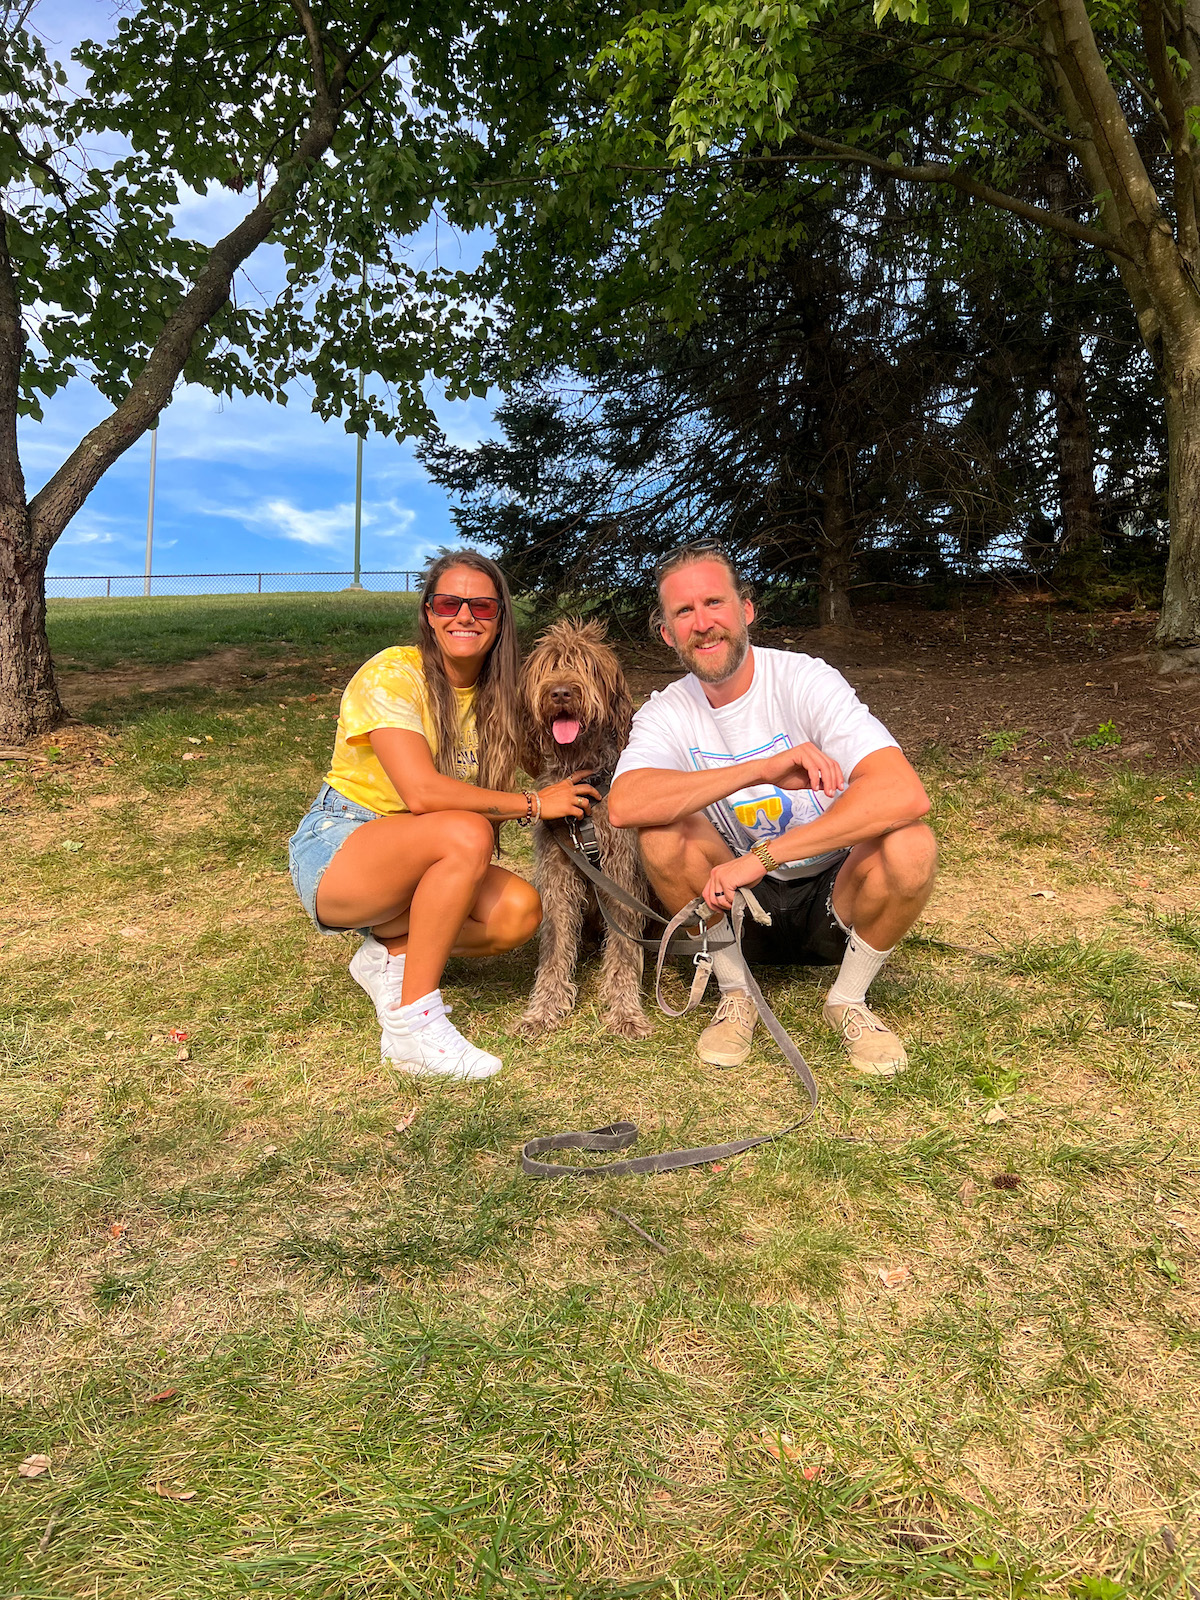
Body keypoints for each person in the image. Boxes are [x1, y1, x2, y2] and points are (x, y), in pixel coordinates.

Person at [607, 541, 937, 1075]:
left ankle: (848, 1000)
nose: (702, 623)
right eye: (683, 612)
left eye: (715, 603)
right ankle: (737, 993)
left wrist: (763, 857)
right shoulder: (666, 710)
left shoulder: (805, 679)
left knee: (911, 842)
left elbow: (904, 793)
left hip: (835, 897)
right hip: (734, 909)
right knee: (661, 833)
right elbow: (624, 804)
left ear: (747, 611)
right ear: (668, 634)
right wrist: (759, 768)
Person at [288, 550, 598, 1081]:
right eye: (450, 603)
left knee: (520, 912)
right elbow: (423, 793)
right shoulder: (391, 673)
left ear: (500, 619)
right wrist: (532, 804)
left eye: (482, 606)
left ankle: (389, 952)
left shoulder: (500, 696)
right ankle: (413, 1025)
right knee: (465, 829)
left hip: (425, 858)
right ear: (429, 613)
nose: (465, 616)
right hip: (344, 846)